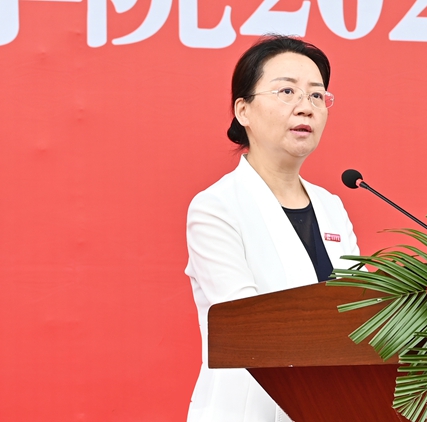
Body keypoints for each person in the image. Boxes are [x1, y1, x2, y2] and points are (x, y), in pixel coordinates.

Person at [184, 35, 359, 422]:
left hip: (331, 406)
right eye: (287, 91)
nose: (306, 106)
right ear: (243, 110)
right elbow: (249, 325)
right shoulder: (216, 207)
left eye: (317, 95)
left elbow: (358, 313)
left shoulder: (331, 207)